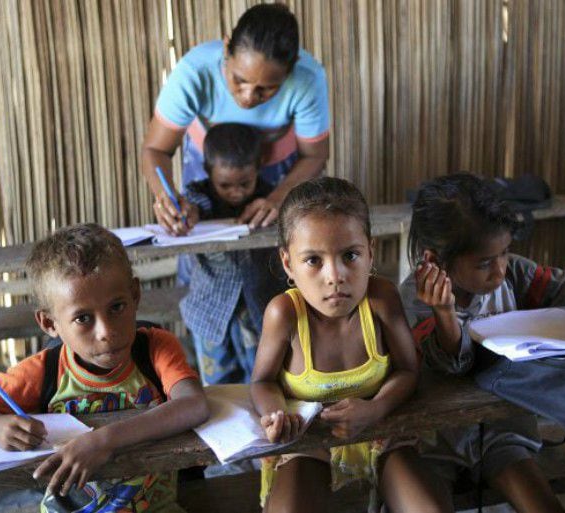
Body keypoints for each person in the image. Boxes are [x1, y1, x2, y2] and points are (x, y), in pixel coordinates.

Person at [0, 224, 209, 513]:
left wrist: (105, 440)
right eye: (82, 318)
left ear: (135, 295)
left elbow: (193, 404)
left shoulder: (154, 349)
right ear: (50, 324)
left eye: (117, 307)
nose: (106, 331)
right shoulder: (45, 373)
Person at [400, 173, 565, 513]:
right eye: (484, 263)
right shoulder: (412, 303)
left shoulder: (511, 276)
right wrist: (445, 313)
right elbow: (455, 365)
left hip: (501, 434)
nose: (499, 270)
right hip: (433, 441)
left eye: (505, 252)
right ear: (434, 261)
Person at [251, 177, 441, 513]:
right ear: (287, 264)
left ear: (371, 252)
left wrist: (376, 408)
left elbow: (409, 370)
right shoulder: (285, 314)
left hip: (381, 432)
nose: (334, 275)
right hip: (308, 441)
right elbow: (262, 381)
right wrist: (276, 414)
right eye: (313, 260)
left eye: (350, 255)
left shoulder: (381, 300)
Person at [142, 3, 329, 236]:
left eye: (267, 88)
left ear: (290, 71)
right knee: (195, 233)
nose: (248, 97)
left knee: (275, 238)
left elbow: (314, 154)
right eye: (238, 79)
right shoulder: (194, 72)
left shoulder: (307, 80)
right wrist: (166, 197)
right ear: (226, 48)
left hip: (279, 171)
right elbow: (156, 149)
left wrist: (279, 197)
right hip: (212, 163)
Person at [180, 122, 284, 385]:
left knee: (259, 378)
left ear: (258, 167)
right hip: (210, 309)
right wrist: (188, 214)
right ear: (207, 171)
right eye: (225, 185)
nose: (236, 192)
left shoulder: (269, 199)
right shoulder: (199, 200)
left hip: (257, 307)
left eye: (244, 183)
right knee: (217, 386)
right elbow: (194, 206)